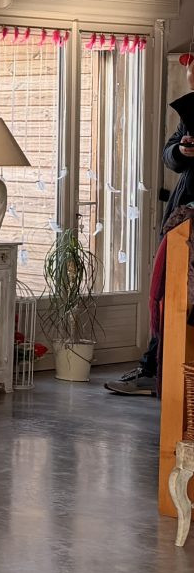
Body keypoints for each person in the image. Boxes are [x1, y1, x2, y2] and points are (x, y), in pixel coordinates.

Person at [111, 60, 194, 395]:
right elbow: (169, 154)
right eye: (190, 80)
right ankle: (154, 369)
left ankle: (162, 372)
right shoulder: (190, 113)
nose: (192, 86)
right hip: (183, 217)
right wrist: (182, 150)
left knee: (180, 301)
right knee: (166, 296)